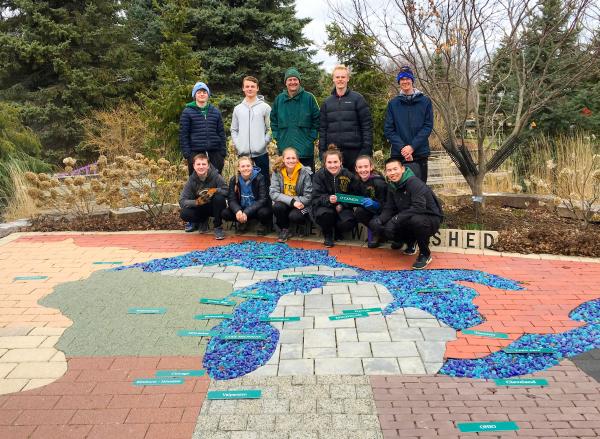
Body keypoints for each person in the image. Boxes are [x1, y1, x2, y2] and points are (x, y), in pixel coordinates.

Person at [369, 157, 443, 269]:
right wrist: (379, 221)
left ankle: (425, 254)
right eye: (389, 170)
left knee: (416, 221)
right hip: (408, 216)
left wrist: (395, 220)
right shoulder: (392, 186)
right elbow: (389, 208)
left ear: (403, 169)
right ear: (386, 172)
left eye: (395, 169)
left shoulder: (414, 182)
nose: (392, 173)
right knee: (380, 224)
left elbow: (419, 207)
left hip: (429, 218)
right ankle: (410, 242)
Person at [383, 66, 433, 183]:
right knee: (399, 187)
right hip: (399, 154)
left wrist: (412, 147)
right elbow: (389, 129)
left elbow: (428, 126)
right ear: (399, 82)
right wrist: (403, 148)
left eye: (407, 78)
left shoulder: (425, 101)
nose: (405, 81)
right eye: (402, 79)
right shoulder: (393, 104)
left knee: (420, 188)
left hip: (420, 152)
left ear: (412, 80)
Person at [319, 64, 372, 171]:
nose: (340, 80)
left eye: (343, 77)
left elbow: (367, 126)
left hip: (355, 151)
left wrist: (366, 150)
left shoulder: (358, 99)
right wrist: (322, 152)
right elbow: (323, 129)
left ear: (348, 79)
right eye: (337, 77)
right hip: (334, 153)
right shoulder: (327, 102)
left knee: (355, 185)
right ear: (333, 79)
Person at [311, 146, 362, 247]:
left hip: (343, 207)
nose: (332, 165)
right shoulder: (319, 175)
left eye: (335, 162)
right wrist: (328, 199)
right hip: (325, 207)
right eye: (329, 162)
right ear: (325, 163)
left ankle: (337, 231)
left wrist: (342, 204)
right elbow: (315, 196)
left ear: (341, 162)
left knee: (348, 223)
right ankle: (328, 235)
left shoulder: (349, 175)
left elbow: (355, 196)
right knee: (325, 215)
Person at [270, 67, 320, 171]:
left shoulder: (309, 98)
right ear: (285, 82)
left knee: (307, 182)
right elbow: (273, 121)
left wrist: (311, 138)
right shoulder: (279, 99)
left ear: (299, 81)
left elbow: (317, 120)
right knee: (286, 183)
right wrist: (277, 137)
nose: (293, 82)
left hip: (305, 151)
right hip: (285, 151)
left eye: (295, 79)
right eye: (290, 80)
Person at [179, 81, 227, 175]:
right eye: (199, 92)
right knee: (197, 183)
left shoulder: (215, 111)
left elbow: (221, 132)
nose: (202, 94)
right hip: (195, 153)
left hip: (215, 153)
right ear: (194, 95)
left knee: (216, 182)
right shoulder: (187, 112)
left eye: (204, 92)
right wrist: (188, 154)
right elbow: (183, 135)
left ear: (208, 95)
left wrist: (222, 153)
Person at [231, 76, 272, 182]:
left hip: (261, 153)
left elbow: (270, 128)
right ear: (243, 88)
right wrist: (238, 144)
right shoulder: (238, 109)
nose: (250, 89)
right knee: (244, 183)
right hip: (243, 154)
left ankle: (265, 199)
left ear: (257, 88)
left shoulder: (265, 107)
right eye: (247, 86)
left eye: (252, 86)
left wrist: (264, 142)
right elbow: (234, 129)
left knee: (264, 182)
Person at [179, 153, 228, 239]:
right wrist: (197, 202)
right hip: (201, 207)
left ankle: (218, 227)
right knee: (184, 213)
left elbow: (227, 191)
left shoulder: (216, 176)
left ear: (208, 165)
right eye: (198, 164)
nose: (201, 167)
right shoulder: (191, 180)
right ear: (194, 166)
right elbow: (182, 201)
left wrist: (215, 190)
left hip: (215, 208)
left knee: (219, 198)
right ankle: (202, 221)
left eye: (204, 164)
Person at [269, 147, 313, 242]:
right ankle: (285, 229)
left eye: (293, 158)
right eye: (288, 158)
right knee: (277, 206)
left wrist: (294, 202)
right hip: (287, 203)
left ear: (297, 159)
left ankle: (303, 224)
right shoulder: (277, 172)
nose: (291, 160)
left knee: (295, 216)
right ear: (283, 159)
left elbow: (308, 197)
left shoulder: (305, 173)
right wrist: (292, 201)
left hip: (301, 205)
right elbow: (273, 193)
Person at [221, 156, 272, 235]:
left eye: (248, 166)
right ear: (238, 168)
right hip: (242, 209)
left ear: (252, 166)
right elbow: (231, 199)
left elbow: (263, 199)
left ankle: (263, 225)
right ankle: (242, 222)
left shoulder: (260, 178)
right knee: (225, 213)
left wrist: (247, 212)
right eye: (243, 166)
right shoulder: (234, 180)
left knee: (264, 212)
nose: (246, 168)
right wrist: (238, 211)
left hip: (256, 209)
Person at [353, 155, 387, 248]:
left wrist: (375, 204)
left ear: (371, 167)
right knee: (358, 212)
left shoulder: (379, 182)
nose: (363, 170)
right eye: (360, 167)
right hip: (369, 210)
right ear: (356, 169)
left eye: (365, 166)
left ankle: (380, 233)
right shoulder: (357, 182)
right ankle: (376, 231)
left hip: (382, 211)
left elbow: (387, 205)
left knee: (376, 221)